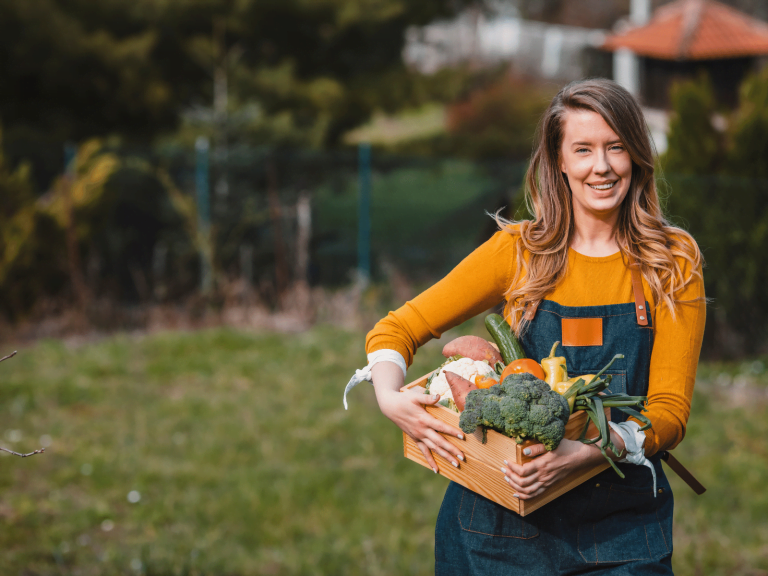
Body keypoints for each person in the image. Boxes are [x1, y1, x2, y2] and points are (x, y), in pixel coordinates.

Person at [344, 78, 706, 575]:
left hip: (621, 531)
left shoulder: (671, 261)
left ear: (637, 154)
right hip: (495, 535)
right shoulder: (519, 251)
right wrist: (390, 399)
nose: (601, 166)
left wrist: (592, 450)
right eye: (583, 149)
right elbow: (397, 328)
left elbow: (669, 411)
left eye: (615, 147)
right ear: (559, 161)